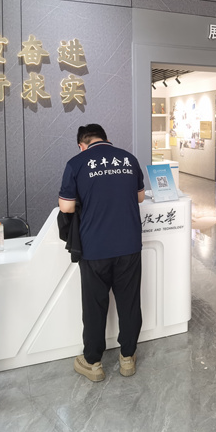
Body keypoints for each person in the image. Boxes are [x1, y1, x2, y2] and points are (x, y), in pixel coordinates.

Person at [59, 124, 145, 382]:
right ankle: (127, 358)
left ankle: (93, 363)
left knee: (94, 307)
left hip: (94, 247)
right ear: (106, 139)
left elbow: (66, 207)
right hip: (129, 245)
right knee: (129, 303)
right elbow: (140, 197)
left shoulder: (76, 163)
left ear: (81, 145)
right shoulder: (128, 159)